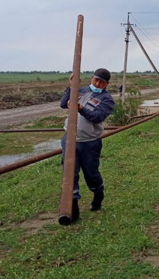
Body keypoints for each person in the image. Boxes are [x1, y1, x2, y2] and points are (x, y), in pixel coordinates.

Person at [60, 68, 115, 222]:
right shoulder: (81, 91)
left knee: (91, 174)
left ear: (107, 84)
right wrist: (72, 87)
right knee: (71, 173)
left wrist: (81, 109)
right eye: (95, 80)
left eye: (101, 82)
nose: (97, 83)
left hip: (90, 143)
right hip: (70, 140)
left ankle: (98, 194)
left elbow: (97, 117)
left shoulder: (107, 99)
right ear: (91, 78)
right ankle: (73, 209)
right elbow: (63, 104)